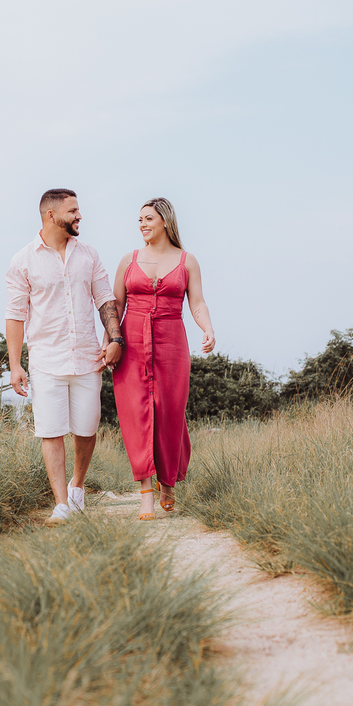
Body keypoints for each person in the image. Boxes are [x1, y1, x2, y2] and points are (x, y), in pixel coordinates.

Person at [6, 189, 124, 526]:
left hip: (88, 356)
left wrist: (116, 338)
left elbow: (104, 298)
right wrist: (16, 365)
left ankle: (77, 486)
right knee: (51, 430)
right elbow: (15, 315)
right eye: (73, 211)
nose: (79, 216)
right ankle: (61, 503)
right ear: (50, 215)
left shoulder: (88, 255)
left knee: (87, 428)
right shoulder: (23, 260)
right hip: (46, 359)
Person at [110, 197, 215, 519]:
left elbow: (196, 303)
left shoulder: (187, 261)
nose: (142, 224)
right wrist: (111, 342)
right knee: (135, 415)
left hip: (172, 343)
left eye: (148, 219)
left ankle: (168, 483)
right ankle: (145, 495)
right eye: (139, 219)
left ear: (165, 221)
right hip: (133, 342)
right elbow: (115, 306)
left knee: (169, 413)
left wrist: (208, 329)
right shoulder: (129, 259)